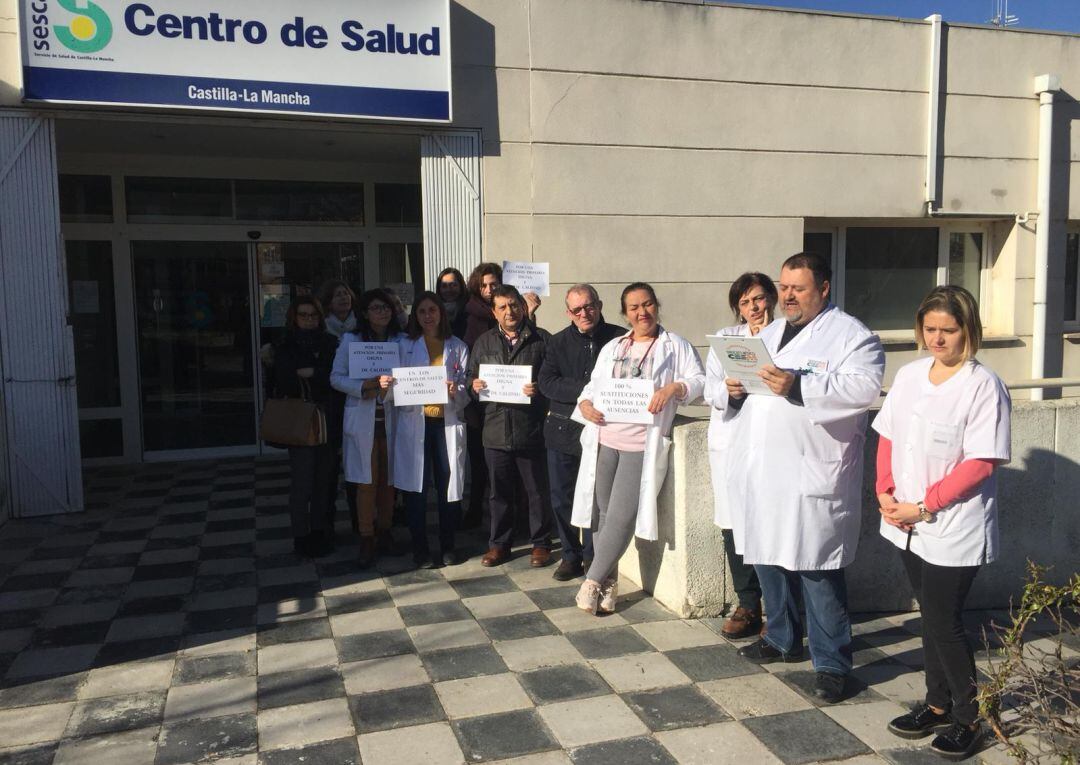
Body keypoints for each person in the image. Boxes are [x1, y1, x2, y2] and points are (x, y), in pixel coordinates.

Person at [725, 252, 885, 704]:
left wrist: (797, 385)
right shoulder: (769, 333)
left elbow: (863, 390)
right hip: (763, 469)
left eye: (798, 288)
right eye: (784, 287)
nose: (788, 296)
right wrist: (734, 391)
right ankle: (781, 638)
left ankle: (832, 663)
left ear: (824, 288)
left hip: (811, 471)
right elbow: (749, 392)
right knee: (767, 555)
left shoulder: (854, 337)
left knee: (817, 567)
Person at [875, 286, 1010, 761]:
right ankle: (937, 705)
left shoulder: (983, 385)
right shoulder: (911, 375)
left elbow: (981, 464)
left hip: (953, 524)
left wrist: (924, 506)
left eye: (948, 330)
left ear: (968, 330)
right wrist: (884, 490)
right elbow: (888, 435)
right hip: (905, 519)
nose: (937, 338)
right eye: (930, 329)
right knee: (930, 614)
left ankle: (971, 718)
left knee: (943, 620)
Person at [571, 283, 705, 613]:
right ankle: (609, 585)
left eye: (647, 304)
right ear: (625, 313)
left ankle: (591, 581)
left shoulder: (675, 346)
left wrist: (674, 388)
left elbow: (700, 381)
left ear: (656, 306)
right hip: (605, 439)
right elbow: (593, 386)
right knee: (602, 516)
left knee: (622, 516)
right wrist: (585, 403)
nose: (642, 312)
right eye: (634, 307)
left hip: (641, 444)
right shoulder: (614, 346)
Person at [704, 272, 777, 639]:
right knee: (733, 524)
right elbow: (710, 389)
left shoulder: (786, 337)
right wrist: (728, 389)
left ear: (772, 299)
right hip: (732, 441)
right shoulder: (726, 339)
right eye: (745, 302)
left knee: (772, 523)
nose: (754, 308)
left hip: (772, 444)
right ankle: (748, 603)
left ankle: (779, 610)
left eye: (759, 299)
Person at [538, 284, 623, 581]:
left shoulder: (619, 339)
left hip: (604, 431)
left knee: (597, 499)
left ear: (599, 305)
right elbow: (547, 382)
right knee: (562, 497)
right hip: (563, 431)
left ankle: (592, 556)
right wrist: (587, 392)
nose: (584, 313)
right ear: (568, 313)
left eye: (589, 306)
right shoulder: (558, 342)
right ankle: (570, 555)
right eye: (577, 310)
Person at [467, 285, 554, 567]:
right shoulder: (483, 342)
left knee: (537, 491)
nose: (509, 312)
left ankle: (541, 543)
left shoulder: (542, 339)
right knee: (499, 494)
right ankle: (499, 545)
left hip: (530, 428)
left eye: (514, 305)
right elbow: (469, 378)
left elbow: (554, 380)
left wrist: (539, 389)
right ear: (494, 312)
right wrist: (473, 386)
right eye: (502, 307)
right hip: (495, 430)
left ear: (522, 307)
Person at [390, 292, 470, 568]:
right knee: (416, 489)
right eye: (422, 311)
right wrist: (390, 384)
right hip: (416, 423)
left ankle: (448, 546)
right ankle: (420, 549)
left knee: (448, 486)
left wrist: (456, 390)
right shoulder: (403, 345)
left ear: (441, 314)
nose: (427, 316)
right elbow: (394, 387)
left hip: (444, 424)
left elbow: (465, 388)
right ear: (415, 315)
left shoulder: (458, 346)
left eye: (432, 310)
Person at [330, 289, 404, 567]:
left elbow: (409, 378)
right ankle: (366, 536)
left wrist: (391, 386)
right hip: (363, 422)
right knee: (366, 483)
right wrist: (364, 386)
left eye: (386, 308)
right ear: (364, 313)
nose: (382, 312)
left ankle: (385, 530)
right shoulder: (351, 340)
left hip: (391, 419)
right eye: (376, 308)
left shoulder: (400, 340)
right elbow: (336, 378)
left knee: (388, 481)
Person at [273, 296, 340, 557]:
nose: (309, 319)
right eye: (304, 315)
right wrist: (314, 374)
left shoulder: (330, 342)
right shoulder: (285, 344)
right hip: (299, 419)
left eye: (313, 315)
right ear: (294, 317)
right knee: (302, 481)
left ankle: (320, 532)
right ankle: (300, 536)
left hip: (327, 418)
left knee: (324, 481)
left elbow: (335, 376)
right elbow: (284, 378)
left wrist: (313, 373)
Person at [436, 267, 469, 340]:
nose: (448, 290)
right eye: (444, 286)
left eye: (453, 285)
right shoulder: (433, 312)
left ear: (461, 286)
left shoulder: (470, 311)